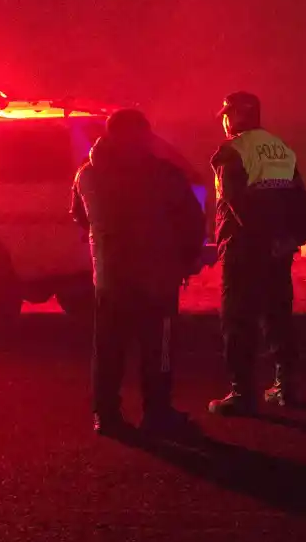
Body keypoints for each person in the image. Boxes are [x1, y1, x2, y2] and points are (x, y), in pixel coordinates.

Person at [70, 108, 205, 436]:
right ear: (144, 135)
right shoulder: (164, 174)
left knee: (108, 349)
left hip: (110, 278)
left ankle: (107, 416)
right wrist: (186, 261)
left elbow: (79, 216)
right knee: (158, 348)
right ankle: (157, 413)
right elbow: (191, 220)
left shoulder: (86, 174)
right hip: (156, 279)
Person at [207, 92, 306, 416]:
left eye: (227, 113)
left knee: (237, 320)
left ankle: (242, 394)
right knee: (277, 316)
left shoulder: (231, 151)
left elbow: (237, 204)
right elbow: (300, 200)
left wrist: (260, 239)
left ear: (238, 116)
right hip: (279, 249)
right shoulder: (280, 148)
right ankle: (286, 388)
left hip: (244, 248)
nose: (224, 120)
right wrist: (293, 238)